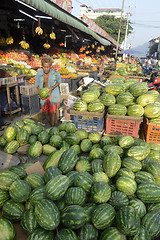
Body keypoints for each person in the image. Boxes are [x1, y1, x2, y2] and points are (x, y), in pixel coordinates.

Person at [35, 57, 61, 126]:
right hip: (44, 94)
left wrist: (52, 88)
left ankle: (52, 126)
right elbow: (37, 85)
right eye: (44, 67)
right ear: (42, 66)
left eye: (48, 67)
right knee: (45, 112)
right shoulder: (38, 74)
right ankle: (51, 123)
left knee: (52, 111)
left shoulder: (55, 73)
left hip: (53, 93)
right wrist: (40, 93)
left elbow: (59, 82)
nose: (46, 68)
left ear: (50, 66)